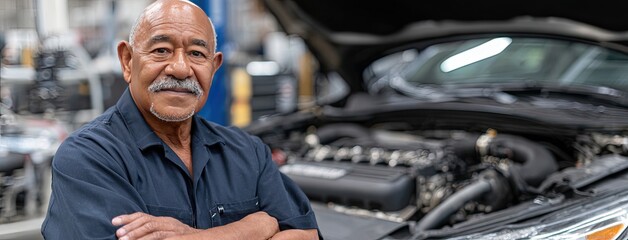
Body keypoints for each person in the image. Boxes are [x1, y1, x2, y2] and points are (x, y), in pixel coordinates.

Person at [41, 0, 320, 239]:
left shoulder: (248, 153)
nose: (180, 68)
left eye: (197, 54)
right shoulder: (88, 157)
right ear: (127, 61)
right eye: (161, 50)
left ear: (214, 66)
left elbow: (306, 235)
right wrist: (257, 225)